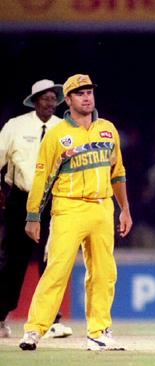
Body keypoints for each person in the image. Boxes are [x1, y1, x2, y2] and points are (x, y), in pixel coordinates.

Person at [18, 74, 132, 351]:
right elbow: (42, 177)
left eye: (89, 91)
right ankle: (34, 330)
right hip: (68, 207)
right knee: (57, 269)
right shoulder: (57, 135)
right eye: (79, 93)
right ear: (67, 100)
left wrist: (125, 209)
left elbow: (117, 173)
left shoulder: (108, 129)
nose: (86, 97)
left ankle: (99, 331)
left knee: (104, 272)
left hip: (103, 207)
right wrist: (33, 216)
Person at [0, 79, 72, 339]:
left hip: (54, 201)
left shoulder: (64, 128)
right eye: (47, 98)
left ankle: (51, 321)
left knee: (52, 259)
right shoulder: (15, 126)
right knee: (12, 262)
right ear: (35, 99)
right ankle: (0, 317)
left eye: (55, 98)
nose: (52, 103)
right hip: (21, 199)